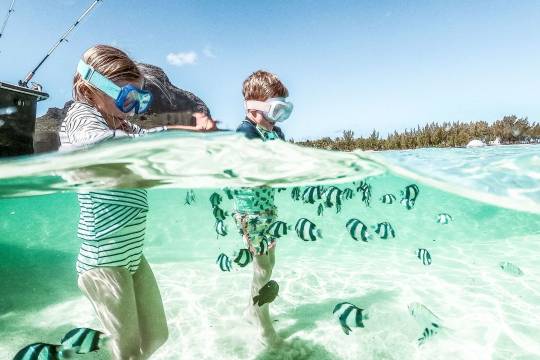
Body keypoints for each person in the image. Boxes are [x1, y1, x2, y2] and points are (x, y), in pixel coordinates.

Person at [58, 44, 213, 359]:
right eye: (128, 98)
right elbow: (102, 147)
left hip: (132, 256)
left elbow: (139, 149)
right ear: (90, 88)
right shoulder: (80, 116)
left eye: (141, 99)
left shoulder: (123, 124)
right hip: (103, 261)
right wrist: (164, 142)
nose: (134, 108)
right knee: (128, 352)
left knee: (157, 337)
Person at [232, 70, 293, 346]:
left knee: (269, 265)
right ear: (254, 108)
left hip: (268, 211)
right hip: (249, 213)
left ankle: (250, 311)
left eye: (284, 111)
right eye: (276, 110)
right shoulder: (246, 133)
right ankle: (264, 326)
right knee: (262, 269)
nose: (278, 119)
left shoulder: (275, 132)